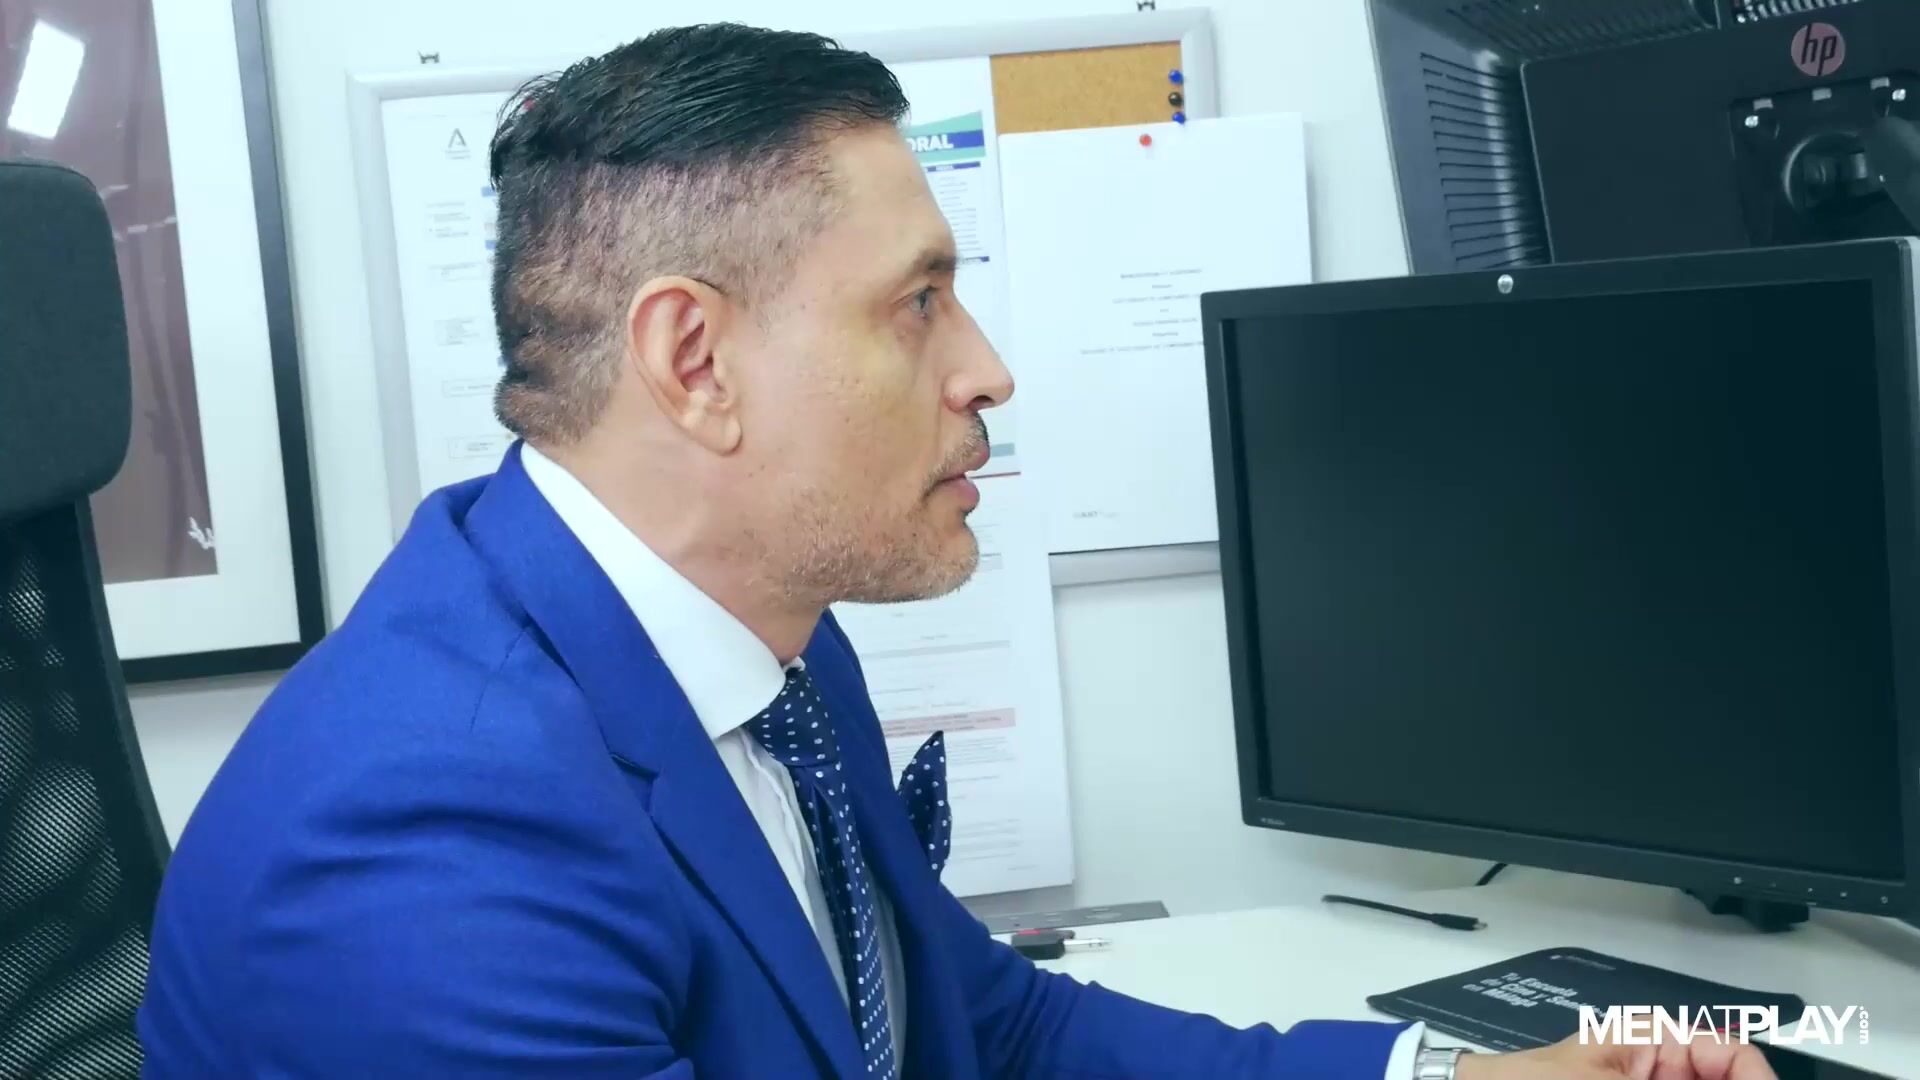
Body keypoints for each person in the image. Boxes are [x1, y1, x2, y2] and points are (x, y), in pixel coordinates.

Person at [138, 24, 1775, 1080]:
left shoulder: (765, 648)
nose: (985, 369)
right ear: (694, 363)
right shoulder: (431, 842)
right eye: (917, 302)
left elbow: (988, 1028)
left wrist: (1449, 1077)